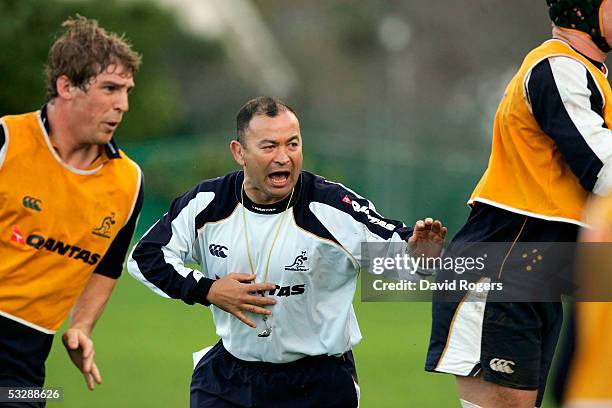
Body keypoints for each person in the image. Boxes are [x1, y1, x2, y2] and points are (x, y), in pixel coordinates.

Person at [128, 96, 447, 407]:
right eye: (269, 146)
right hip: (229, 379)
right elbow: (147, 258)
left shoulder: (331, 207)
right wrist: (208, 290)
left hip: (317, 385)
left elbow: (400, 251)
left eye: (292, 144)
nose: (284, 157)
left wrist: (421, 254)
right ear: (239, 152)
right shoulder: (208, 202)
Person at [425, 1, 612, 407]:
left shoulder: (587, 74)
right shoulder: (558, 67)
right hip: (503, 269)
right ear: (582, 10)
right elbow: (604, 172)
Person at [0, 15, 143, 399]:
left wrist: (81, 325)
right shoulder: (6, 142)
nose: (123, 104)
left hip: (24, 367)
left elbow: (108, 265)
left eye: (127, 90)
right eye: (110, 88)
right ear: (66, 86)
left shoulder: (128, 181)